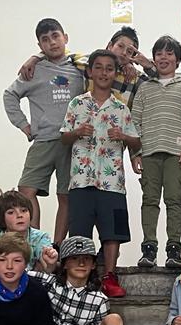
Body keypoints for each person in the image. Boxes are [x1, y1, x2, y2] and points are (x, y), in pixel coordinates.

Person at [59, 49, 141, 298]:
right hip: (81, 180)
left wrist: (123, 137)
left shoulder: (121, 108)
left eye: (109, 68)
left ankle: (109, 276)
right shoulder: (77, 103)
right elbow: (64, 137)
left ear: (115, 73)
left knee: (112, 232)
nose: (104, 73)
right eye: (99, 67)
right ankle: (80, 279)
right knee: (79, 232)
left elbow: (136, 142)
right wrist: (77, 132)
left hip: (112, 181)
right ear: (90, 71)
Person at [5, 18, 85, 243]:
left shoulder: (80, 68)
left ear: (65, 37)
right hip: (43, 139)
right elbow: (9, 95)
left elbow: (104, 62)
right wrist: (24, 125)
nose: (52, 43)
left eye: (56, 36)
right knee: (26, 191)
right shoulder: (34, 70)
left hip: (72, 141)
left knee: (66, 196)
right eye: (45, 40)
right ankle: (34, 244)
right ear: (40, 45)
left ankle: (56, 247)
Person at [131, 35, 181, 269]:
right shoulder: (144, 88)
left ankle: (173, 249)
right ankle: (149, 248)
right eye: (159, 53)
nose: (164, 57)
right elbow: (134, 122)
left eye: (169, 53)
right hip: (149, 152)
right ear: (153, 58)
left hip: (176, 153)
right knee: (149, 200)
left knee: (174, 200)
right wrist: (135, 152)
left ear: (177, 60)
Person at [17, 25, 155, 107]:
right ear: (110, 45)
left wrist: (148, 66)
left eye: (129, 51)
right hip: (83, 138)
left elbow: (160, 86)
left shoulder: (133, 77)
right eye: (120, 46)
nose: (124, 53)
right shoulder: (87, 63)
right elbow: (60, 54)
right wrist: (36, 57)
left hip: (114, 142)